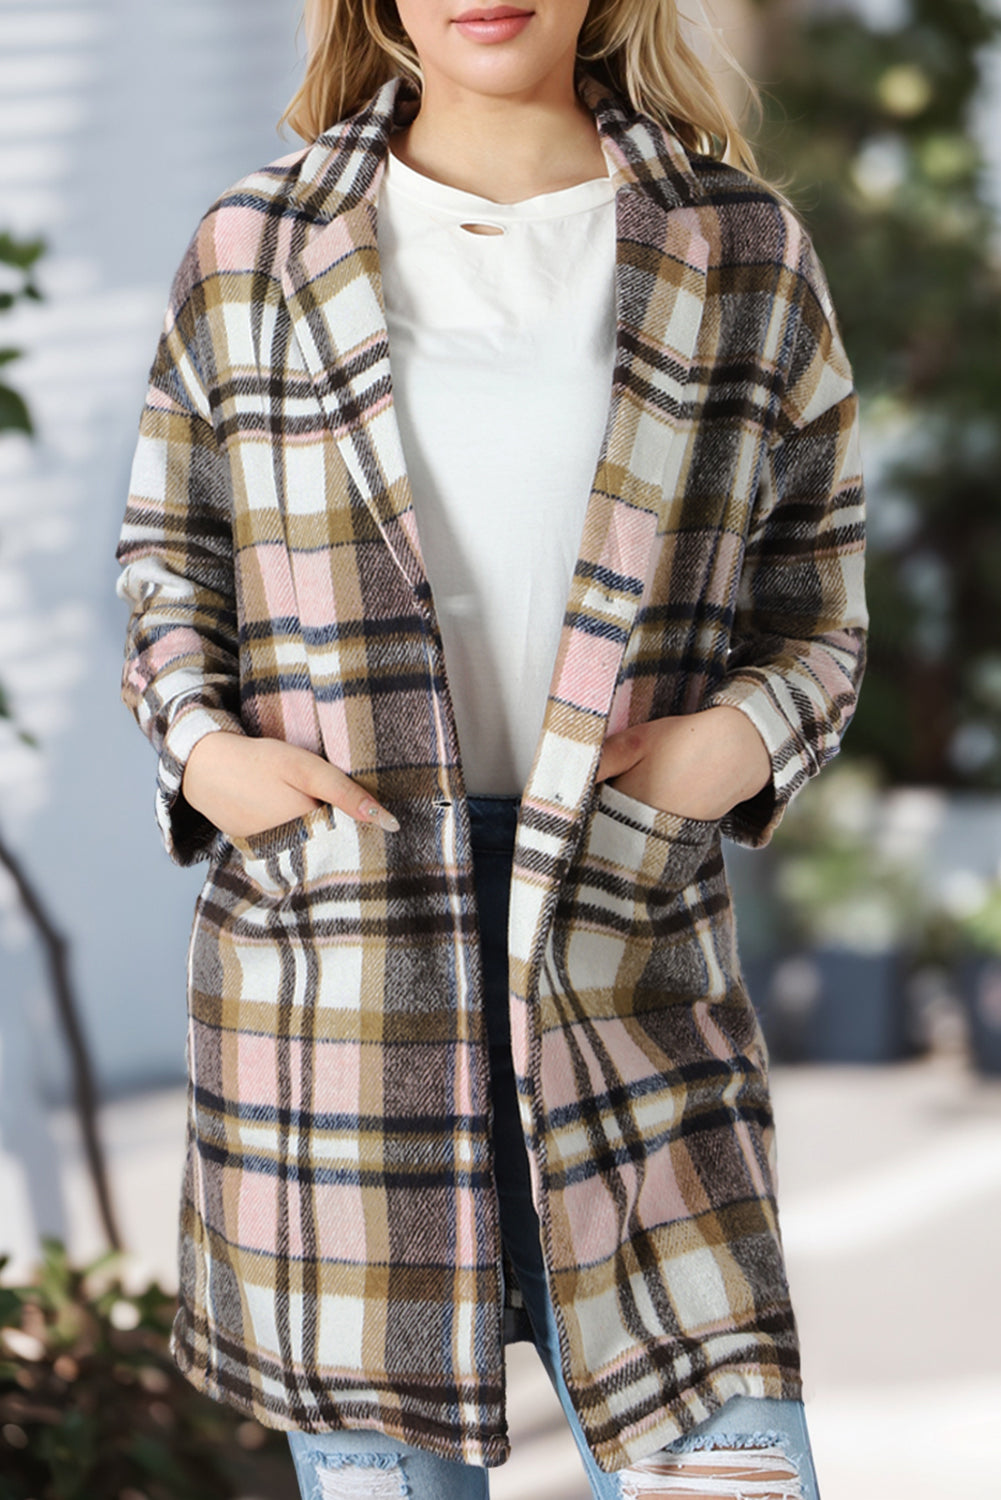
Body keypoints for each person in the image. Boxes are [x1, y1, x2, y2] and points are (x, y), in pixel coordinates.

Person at [114, 1, 866, 1496]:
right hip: (337, 989)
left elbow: (819, 600)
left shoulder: (737, 246)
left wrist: (737, 742)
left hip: (625, 952)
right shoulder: (255, 245)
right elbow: (167, 562)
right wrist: (205, 755)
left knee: (731, 1470)